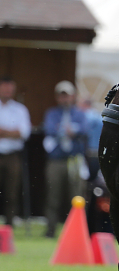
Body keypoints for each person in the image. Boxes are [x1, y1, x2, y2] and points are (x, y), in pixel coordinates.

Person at [42, 80, 88, 238]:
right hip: (56, 160)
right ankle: (50, 230)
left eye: (67, 96)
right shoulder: (52, 113)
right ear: (57, 97)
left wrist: (72, 131)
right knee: (52, 196)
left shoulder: (80, 114)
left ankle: (76, 232)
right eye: (61, 96)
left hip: (74, 159)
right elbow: (49, 129)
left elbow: (84, 129)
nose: (64, 99)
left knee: (77, 197)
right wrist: (67, 131)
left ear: (73, 96)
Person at [0, 76, 31, 225]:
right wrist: (12, 132)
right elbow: (16, 132)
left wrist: (3, 132)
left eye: (10, 88)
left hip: (12, 156)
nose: (7, 91)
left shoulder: (20, 109)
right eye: (5, 87)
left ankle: (9, 227)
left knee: (11, 193)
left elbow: (24, 133)